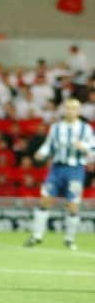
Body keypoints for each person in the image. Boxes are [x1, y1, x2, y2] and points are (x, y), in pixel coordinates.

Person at [24, 98, 94, 251]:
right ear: (64, 110)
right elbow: (49, 146)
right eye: (68, 108)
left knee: (73, 205)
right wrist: (41, 153)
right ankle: (37, 236)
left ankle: (69, 239)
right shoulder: (56, 127)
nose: (70, 111)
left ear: (79, 111)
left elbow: (93, 149)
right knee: (45, 200)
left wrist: (84, 147)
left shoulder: (86, 129)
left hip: (75, 169)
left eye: (74, 108)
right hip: (57, 168)